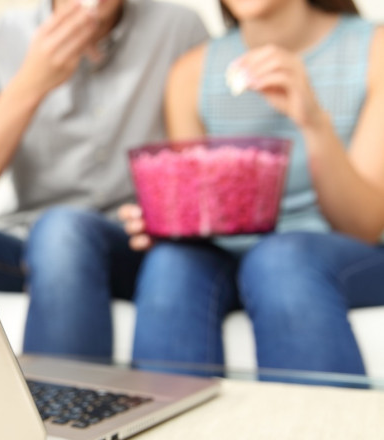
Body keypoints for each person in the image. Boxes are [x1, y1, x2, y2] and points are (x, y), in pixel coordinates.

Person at [120, 0, 384, 382]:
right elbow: (201, 212)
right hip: (231, 255)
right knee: (171, 263)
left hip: (342, 253)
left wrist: (312, 119)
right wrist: (165, 217)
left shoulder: (374, 51)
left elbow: (362, 225)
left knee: (279, 259)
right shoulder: (190, 74)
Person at [0, 0, 208, 358]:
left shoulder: (180, 29)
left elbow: (199, 174)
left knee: (63, 229)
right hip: (31, 246)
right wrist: (30, 84)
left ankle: (70, 412)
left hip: (130, 246)